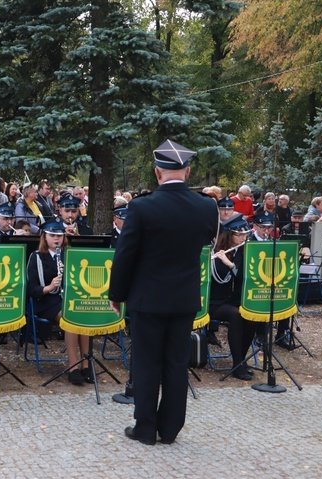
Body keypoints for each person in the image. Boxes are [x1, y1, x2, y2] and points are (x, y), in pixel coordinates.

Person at [108, 139, 218, 446]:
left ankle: (145, 427)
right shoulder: (207, 207)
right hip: (183, 298)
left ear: (158, 173)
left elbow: (125, 255)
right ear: (188, 171)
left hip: (147, 298)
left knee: (147, 363)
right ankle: (170, 429)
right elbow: (205, 240)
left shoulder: (142, 207)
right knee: (175, 363)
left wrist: (116, 293)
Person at [26, 218, 89, 384]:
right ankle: (73, 366)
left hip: (67, 298)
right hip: (46, 301)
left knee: (83, 315)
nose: (56, 239)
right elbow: (31, 289)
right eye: (52, 235)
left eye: (59, 236)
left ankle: (86, 365)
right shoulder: (37, 257)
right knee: (71, 318)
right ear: (44, 237)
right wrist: (48, 286)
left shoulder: (70, 255)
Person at [210, 214, 257, 380]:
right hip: (216, 302)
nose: (243, 237)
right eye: (239, 235)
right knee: (236, 316)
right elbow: (220, 279)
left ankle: (241, 360)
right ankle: (237, 364)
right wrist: (223, 262)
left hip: (235, 300)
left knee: (252, 316)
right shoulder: (217, 252)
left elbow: (247, 275)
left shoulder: (244, 251)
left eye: (245, 234)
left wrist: (231, 264)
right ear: (229, 235)